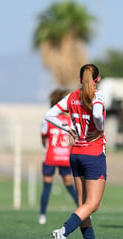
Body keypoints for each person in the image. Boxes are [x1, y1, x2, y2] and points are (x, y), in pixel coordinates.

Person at [44, 64, 111, 239]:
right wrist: (99, 128)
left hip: (76, 154)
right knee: (93, 204)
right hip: (93, 154)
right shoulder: (98, 95)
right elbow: (97, 114)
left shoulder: (72, 96)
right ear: (97, 79)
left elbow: (49, 115)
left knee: (83, 204)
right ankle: (63, 232)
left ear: (81, 79)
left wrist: (66, 128)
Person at [39, 89, 78, 225]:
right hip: (65, 157)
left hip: (50, 156)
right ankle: (82, 211)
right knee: (69, 185)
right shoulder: (68, 120)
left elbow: (43, 139)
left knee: (47, 186)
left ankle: (42, 215)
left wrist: (50, 147)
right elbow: (73, 140)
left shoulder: (47, 119)